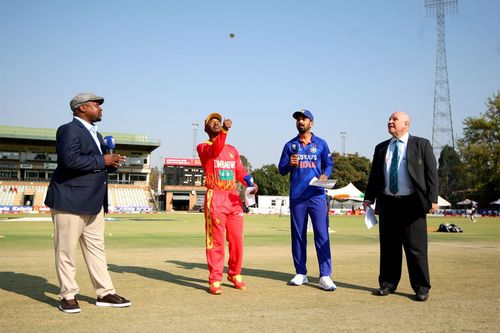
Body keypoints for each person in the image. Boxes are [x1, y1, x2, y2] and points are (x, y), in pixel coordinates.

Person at [44, 93, 131, 313]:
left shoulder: (97, 134)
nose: (100, 109)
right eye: (96, 105)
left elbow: (91, 164)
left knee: (97, 251)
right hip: (70, 200)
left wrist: (110, 164)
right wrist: (102, 160)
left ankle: (105, 292)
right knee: (66, 251)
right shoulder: (69, 129)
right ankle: (68, 295)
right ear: (82, 108)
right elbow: (69, 160)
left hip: (94, 202)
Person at [363, 111, 438, 302]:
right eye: (389, 119)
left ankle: (421, 287)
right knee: (389, 247)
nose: (390, 122)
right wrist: (368, 198)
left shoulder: (421, 144)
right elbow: (375, 176)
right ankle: (387, 284)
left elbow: (431, 174)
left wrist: (433, 199)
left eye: (394, 119)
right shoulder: (381, 148)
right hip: (388, 203)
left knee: (416, 248)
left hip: (413, 203)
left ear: (406, 124)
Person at [197, 112, 258, 295]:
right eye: (212, 122)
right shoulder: (203, 147)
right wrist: (224, 130)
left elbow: (239, 170)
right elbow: (215, 150)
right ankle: (215, 278)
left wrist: (250, 183)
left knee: (237, 240)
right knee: (216, 241)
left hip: (233, 198)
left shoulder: (232, 149)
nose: (216, 123)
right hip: (215, 197)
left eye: (218, 121)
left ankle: (234, 273)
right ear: (206, 128)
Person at [278, 109, 336, 291]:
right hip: (297, 197)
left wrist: (325, 175)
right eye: (298, 119)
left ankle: (325, 276)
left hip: (317, 195)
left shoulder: (321, 144)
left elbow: (329, 164)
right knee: (298, 235)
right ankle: (300, 273)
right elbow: (281, 169)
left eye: (304, 119)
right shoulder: (290, 145)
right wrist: (290, 164)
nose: (300, 121)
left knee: (322, 234)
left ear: (311, 123)